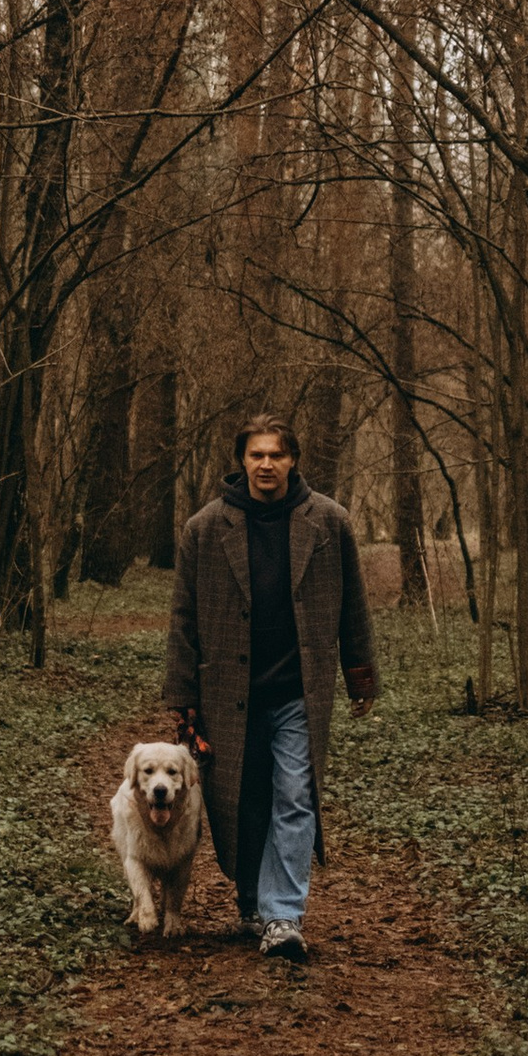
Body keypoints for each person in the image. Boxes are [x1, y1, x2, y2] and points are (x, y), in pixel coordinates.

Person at [160, 409, 378, 963]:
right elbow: (183, 618)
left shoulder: (329, 522)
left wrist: (360, 674)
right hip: (227, 693)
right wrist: (182, 698)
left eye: (276, 454)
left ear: (293, 460)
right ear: (241, 462)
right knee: (241, 800)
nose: (266, 464)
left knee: (295, 795)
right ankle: (254, 901)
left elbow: (353, 604)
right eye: (256, 454)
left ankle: (283, 916)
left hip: (298, 691)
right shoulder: (206, 528)